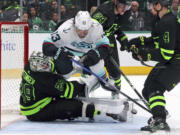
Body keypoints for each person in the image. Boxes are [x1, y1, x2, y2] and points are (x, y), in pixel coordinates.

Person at [19, 51, 130, 122]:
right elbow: (70, 90)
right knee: (74, 106)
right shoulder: (45, 80)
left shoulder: (29, 66)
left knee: (66, 95)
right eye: (44, 65)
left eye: (46, 63)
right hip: (37, 111)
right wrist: (85, 84)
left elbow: (52, 66)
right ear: (37, 67)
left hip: (37, 97)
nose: (47, 65)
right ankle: (112, 113)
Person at [127, 0, 180, 132]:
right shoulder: (159, 20)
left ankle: (160, 120)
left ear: (159, 5)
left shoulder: (168, 22)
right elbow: (157, 41)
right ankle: (159, 112)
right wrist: (140, 41)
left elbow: (166, 54)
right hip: (170, 60)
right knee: (147, 90)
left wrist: (145, 54)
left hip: (176, 61)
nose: (149, 7)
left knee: (155, 87)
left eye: (151, 4)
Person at [42, 11, 114, 93]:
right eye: (79, 30)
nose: (82, 34)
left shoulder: (96, 27)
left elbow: (105, 46)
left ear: (90, 26)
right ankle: (59, 87)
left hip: (87, 58)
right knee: (61, 72)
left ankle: (102, 81)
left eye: (85, 30)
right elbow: (46, 44)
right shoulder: (65, 29)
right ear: (74, 25)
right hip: (69, 58)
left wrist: (97, 54)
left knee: (97, 62)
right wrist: (60, 53)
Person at [91, 0, 130, 99]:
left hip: (109, 40)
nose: (124, 9)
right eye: (122, 6)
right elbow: (90, 30)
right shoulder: (104, 12)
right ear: (116, 2)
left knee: (115, 70)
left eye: (127, 6)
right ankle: (85, 89)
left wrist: (123, 40)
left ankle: (116, 92)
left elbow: (116, 28)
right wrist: (102, 45)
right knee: (92, 66)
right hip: (96, 42)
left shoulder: (123, 13)